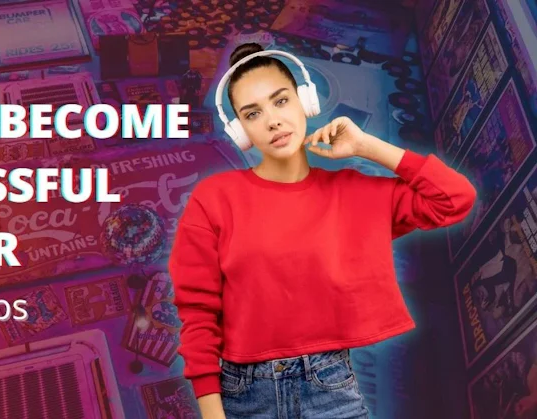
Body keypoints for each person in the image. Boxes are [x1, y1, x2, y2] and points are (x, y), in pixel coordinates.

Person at [168, 43, 477, 419]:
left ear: (306, 101)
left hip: (329, 388)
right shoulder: (214, 198)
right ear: (240, 130)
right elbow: (198, 311)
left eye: (280, 102)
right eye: (253, 113)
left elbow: (454, 199)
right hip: (242, 395)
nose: (272, 121)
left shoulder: (353, 192)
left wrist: (366, 146)